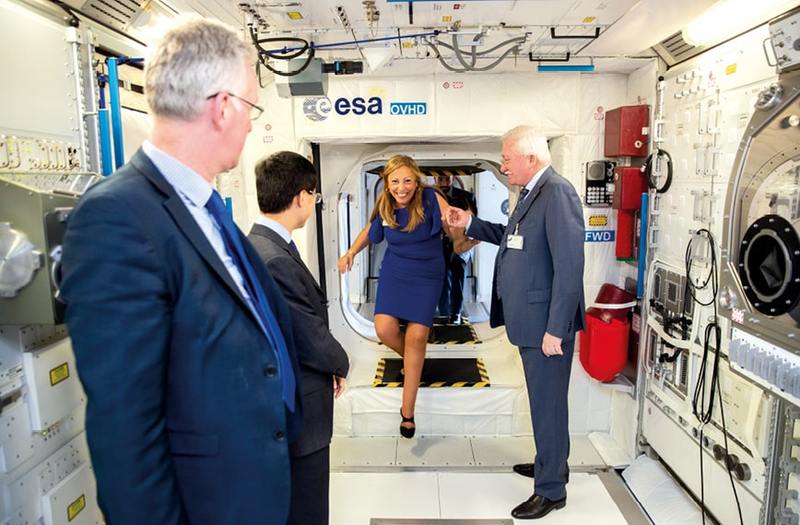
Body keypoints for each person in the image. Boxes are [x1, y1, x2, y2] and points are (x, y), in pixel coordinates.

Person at [59, 17, 302, 525]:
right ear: (223, 107)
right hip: (206, 504)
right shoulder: (118, 216)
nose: (252, 124)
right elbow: (125, 428)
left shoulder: (205, 208)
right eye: (252, 107)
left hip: (253, 489)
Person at [448, 126, 585, 520]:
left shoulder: (557, 193)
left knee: (548, 405)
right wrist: (470, 222)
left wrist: (556, 329)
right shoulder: (531, 194)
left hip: (547, 325)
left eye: (507, 158)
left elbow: (570, 267)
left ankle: (551, 490)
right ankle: (550, 465)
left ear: (531, 158)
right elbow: (511, 237)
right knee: (544, 403)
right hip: (532, 321)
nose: (504, 165)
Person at [247, 151, 350, 525]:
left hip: (283, 399)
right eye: (315, 195)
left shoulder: (262, 245)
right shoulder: (274, 259)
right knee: (307, 506)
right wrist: (339, 363)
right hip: (298, 406)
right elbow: (306, 333)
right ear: (302, 197)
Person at [338, 154, 450, 438]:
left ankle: (407, 413)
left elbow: (452, 220)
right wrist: (351, 252)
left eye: (408, 180)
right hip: (396, 272)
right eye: (395, 181)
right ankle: (414, 362)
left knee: (415, 337)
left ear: (417, 180)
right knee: (384, 329)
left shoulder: (430, 198)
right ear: (387, 183)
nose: (402, 187)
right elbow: (369, 231)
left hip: (427, 274)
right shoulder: (385, 203)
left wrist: (464, 237)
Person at [434, 173, 479, 324]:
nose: (444, 181)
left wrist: (469, 241)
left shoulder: (467, 197)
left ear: (453, 178)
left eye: (447, 178)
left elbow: (473, 221)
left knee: (458, 278)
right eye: (440, 178)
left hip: (460, 241)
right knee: (441, 279)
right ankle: (444, 313)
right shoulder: (430, 196)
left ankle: (455, 314)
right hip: (437, 243)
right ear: (434, 179)